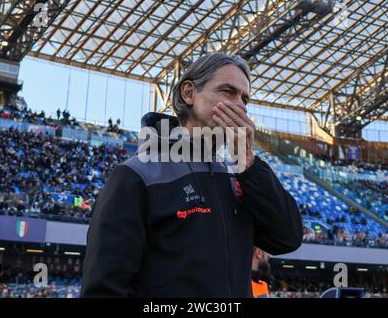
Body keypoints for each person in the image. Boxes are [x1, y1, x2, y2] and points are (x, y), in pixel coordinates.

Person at [81, 53, 303, 298]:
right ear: (189, 93)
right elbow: (104, 288)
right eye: (227, 91)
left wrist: (248, 160)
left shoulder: (239, 174)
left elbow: (287, 238)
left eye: (244, 99)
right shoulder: (136, 174)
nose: (240, 106)